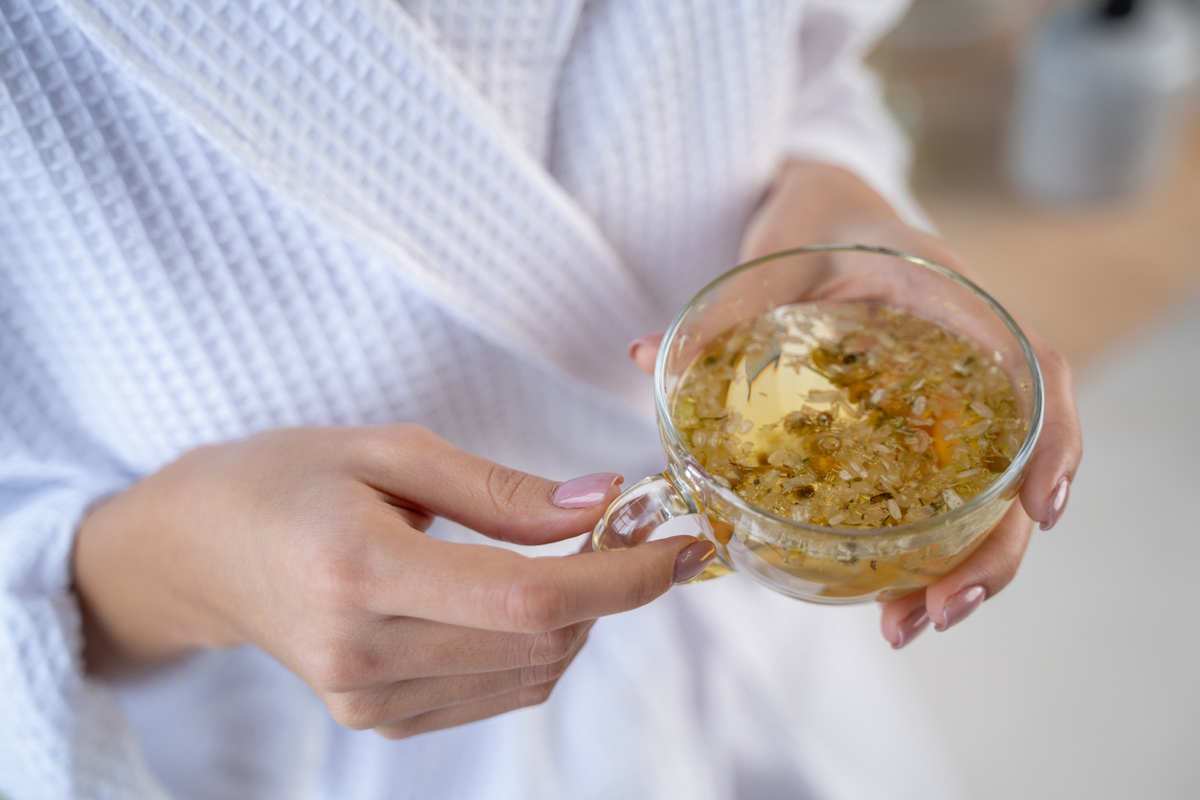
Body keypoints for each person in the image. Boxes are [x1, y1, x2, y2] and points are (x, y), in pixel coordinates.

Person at [0, 1, 1081, 797]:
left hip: (752, 635)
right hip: (334, 738)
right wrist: (186, 566)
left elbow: (801, 64)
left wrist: (835, 198)